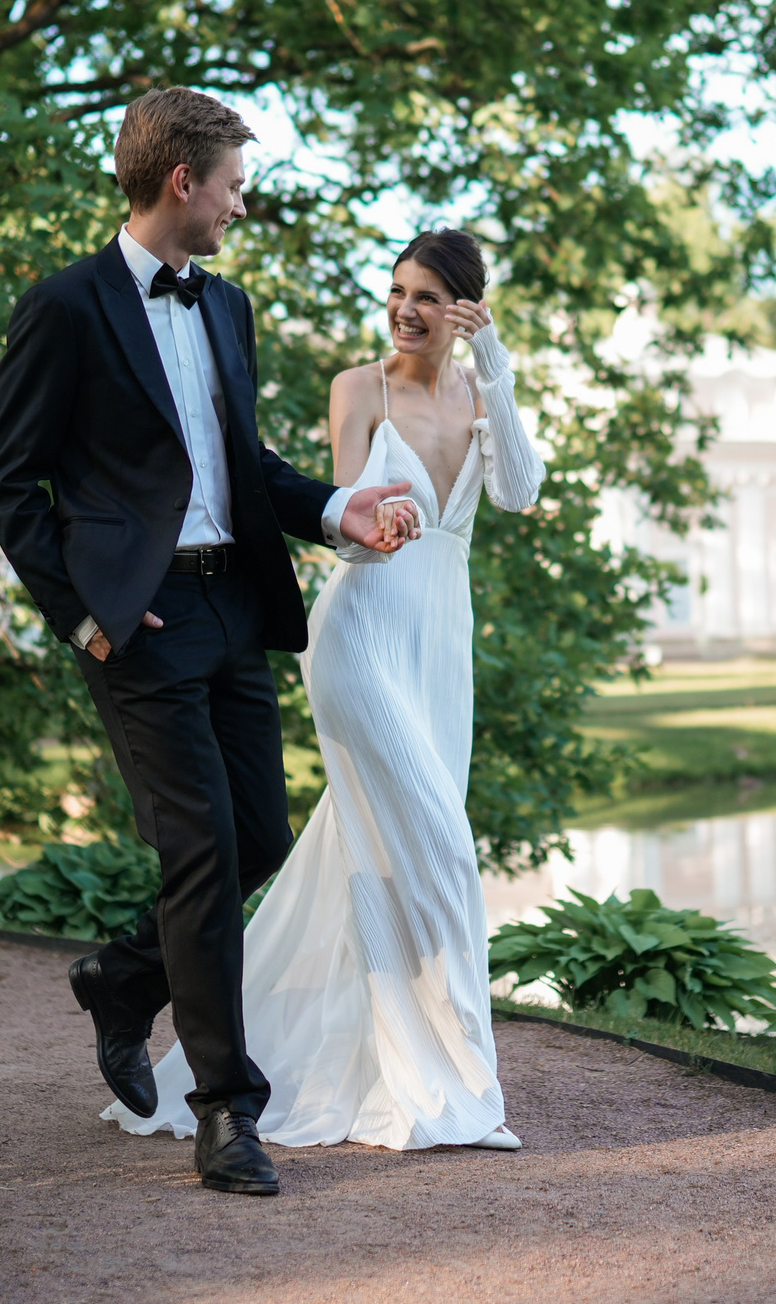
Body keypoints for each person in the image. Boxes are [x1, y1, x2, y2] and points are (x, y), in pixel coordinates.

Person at [0, 87, 416, 1197]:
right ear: (184, 181)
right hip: (143, 626)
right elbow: (9, 483)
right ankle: (226, 1110)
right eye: (232, 185)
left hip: (233, 610)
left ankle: (123, 982)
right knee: (204, 854)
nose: (237, 206)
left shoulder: (226, 309)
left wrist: (334, 511)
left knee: (257, 836)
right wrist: (86, 616)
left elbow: (245, 466)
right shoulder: (65, 307)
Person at [103, 227, 545, 1152]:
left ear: (463, 308)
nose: (406, 309)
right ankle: (459, 1083)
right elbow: (338, 521)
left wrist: (493, 355)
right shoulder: (359, 388)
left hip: (440, 643)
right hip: (361, 634)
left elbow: (519, 493)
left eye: (429, 296)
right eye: (398, 290)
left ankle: (370, 1064)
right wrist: (369, 524)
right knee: (443, 846)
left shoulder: (475, 392)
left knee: (378, 859)